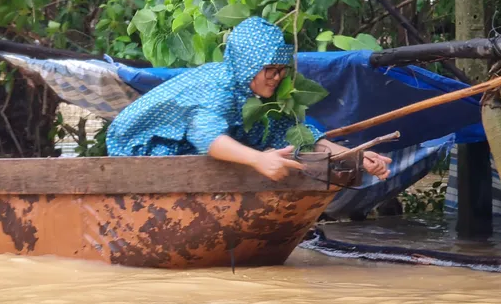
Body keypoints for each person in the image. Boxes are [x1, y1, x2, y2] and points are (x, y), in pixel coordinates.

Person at [106, 16, 391, 181]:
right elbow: (207, 136)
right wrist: (257, 160)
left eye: (281, 70)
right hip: (138, 147)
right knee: (236, 157)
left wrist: (356, 156)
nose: (276, 77)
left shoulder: (261, 99)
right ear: (247, 66)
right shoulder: (217, 87)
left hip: (181, 143)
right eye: (269, 70)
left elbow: (299, 139)